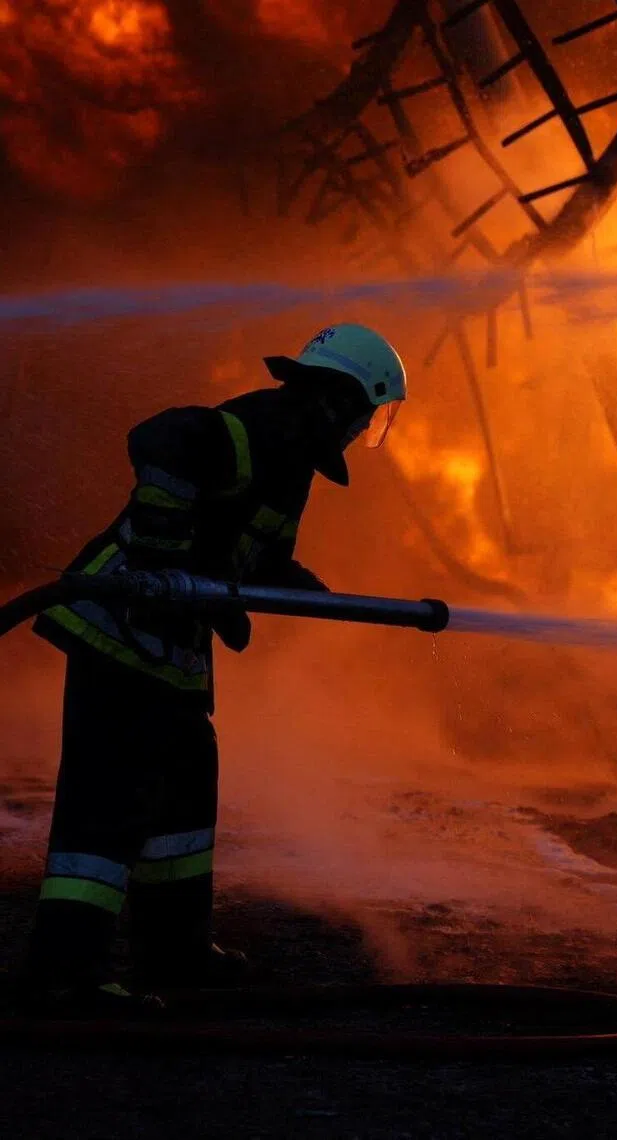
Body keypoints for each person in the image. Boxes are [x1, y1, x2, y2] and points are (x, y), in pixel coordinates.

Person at [24, 322, 406, 1009]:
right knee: (108, 809)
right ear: (338, 399)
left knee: (182, 803)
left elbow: (256, 556)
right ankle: (64, 973)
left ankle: (173, 955)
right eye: (365, 414)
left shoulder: (290, 464)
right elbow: (160, 439)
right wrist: (164, 558)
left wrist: (319, 599)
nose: (361, 431)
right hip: (118, 633)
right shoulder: (250, 429)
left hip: (171, 654)